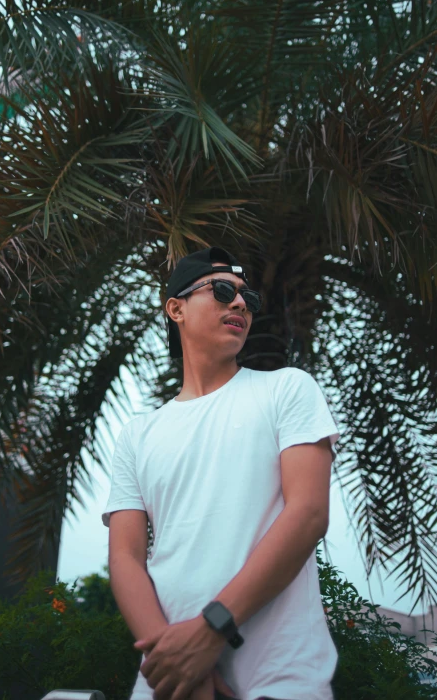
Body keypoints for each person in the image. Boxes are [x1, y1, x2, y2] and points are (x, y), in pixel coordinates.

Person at [102, 246, 340, 700]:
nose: (240, 304)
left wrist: (210, 632)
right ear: (176, 308)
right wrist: (175, 661)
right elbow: (125, 558)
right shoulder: (137, 434)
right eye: (224, 290)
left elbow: (308, 513)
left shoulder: (287, 389)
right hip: (168, 685)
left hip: (280, 680)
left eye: (247, 296)